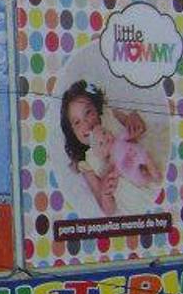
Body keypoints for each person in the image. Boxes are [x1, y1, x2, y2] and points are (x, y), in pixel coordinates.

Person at [59, 79, 148, 215]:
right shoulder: (87, 164)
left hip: (145, 161)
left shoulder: (109, 116)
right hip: (133, 192)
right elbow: (108, 209)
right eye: (77, 122)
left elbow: (134, 122)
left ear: (97, 108)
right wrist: (105, 193)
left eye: (88, 112)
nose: (86, 123)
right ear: (73, 133)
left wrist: (134, 118)